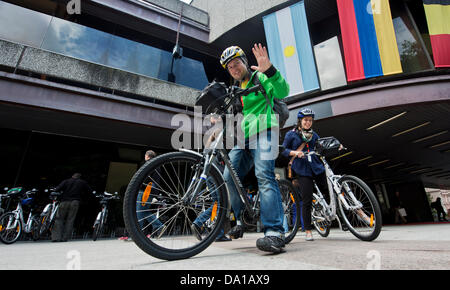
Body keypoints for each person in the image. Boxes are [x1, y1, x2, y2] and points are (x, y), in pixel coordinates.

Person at [220, 44, 289, 253]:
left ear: (243, 61)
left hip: (265, 130)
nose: (233, 69)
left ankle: (275, 233)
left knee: (264, 175)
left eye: (236, 63)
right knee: (227, 177)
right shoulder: (235, 91)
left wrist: (269, 69)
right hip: (243, 138)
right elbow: (232, 118)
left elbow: (283, 91)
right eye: (229, 67)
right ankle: (240, 218)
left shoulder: (260, 77)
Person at [120, 150, 164, 241]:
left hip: (145, 190)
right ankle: (159, 226)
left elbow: (143, 177)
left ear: (147, 156)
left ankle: (136, 235)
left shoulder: (148, 164)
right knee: (143, 211)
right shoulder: (157, 165)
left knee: (139, 212)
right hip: (151, 190)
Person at [52, 173, 92, 242]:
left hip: (64, 201)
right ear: (80, 177)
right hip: (75, 202)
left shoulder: (66, 181)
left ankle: (56, 237)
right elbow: (89, 192)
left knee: (59, 219)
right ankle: (65, 238)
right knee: (70, 220)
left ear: (72, 176)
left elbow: (57, 189)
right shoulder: (82, 182)